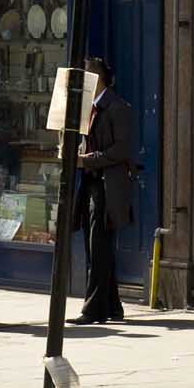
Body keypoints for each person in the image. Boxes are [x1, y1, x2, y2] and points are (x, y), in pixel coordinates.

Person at [73, 57, 135, 325]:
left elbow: (121, 150)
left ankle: (93, 310)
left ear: (96, 78)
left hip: (107, 186)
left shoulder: (117, 107)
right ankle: (112, 306)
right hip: (90, 183)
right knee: (97, 247)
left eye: (85, 74)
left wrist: (87, 160)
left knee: (98, 247)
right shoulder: (88, 108)